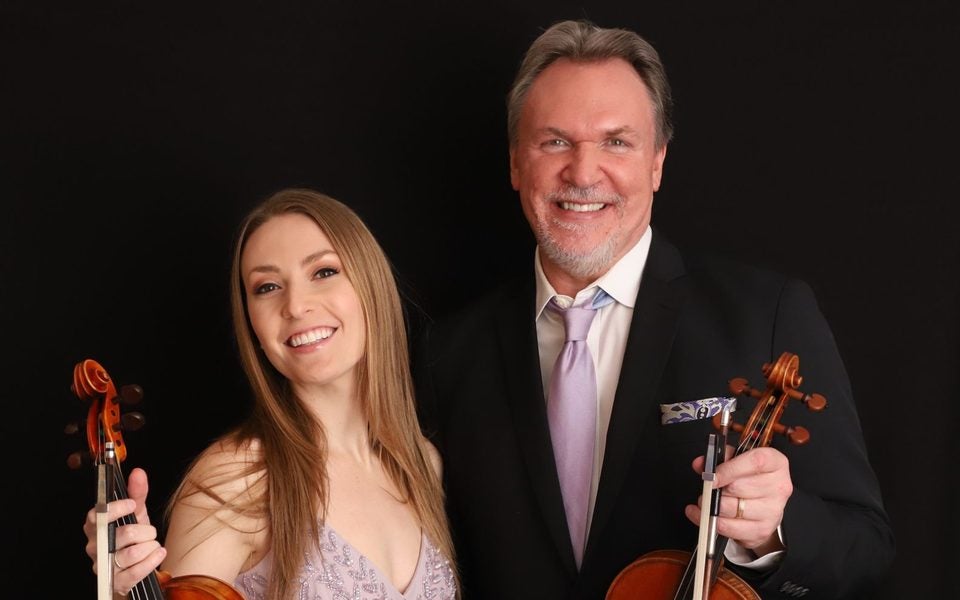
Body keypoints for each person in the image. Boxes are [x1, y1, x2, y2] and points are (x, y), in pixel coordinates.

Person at [415, 20, 894, 599]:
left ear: (657, 162)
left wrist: (776, 534)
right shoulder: (448, 354)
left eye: (616, 141)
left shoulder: (765, 314)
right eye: (555, 141)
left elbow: (867, 553)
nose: (584, 172)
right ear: (517, 162)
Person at [84, 189, 458, 600]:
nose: (296, 306)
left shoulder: (423, 463)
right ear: (253, 326)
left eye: (324, 272)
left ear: (371, 284)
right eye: (267, 287)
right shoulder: (236, 478)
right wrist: (123, 590)